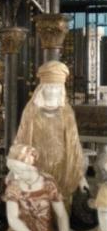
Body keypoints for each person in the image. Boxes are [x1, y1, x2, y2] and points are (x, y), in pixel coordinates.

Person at [14, 60, 88, 206]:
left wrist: (80, 176)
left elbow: (74, 146)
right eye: (49, 87)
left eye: (56, 87)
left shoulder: (67, 113)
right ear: (42, 89)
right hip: (37, 170)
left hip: (61, 169)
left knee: (60, 208)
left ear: (62, 89)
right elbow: (22, 140)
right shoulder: (31, 111)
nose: (53, 91)